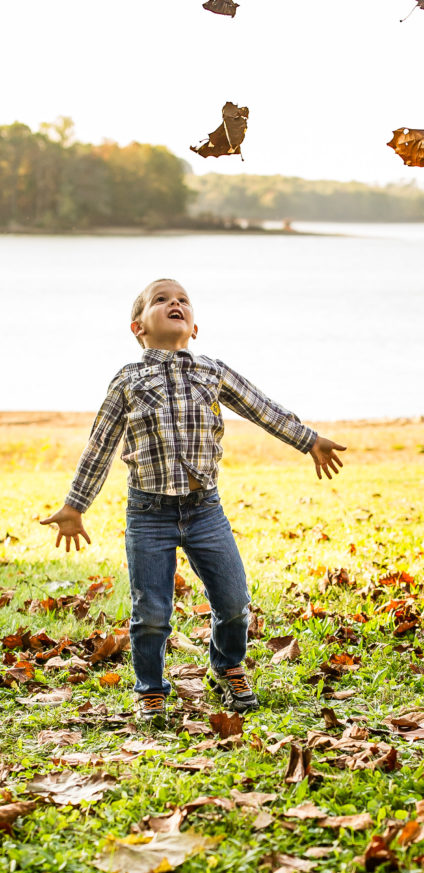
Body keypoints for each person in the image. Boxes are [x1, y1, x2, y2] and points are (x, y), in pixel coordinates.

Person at [41, 278, 346, 724]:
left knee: (234, 603)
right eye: (161, 299)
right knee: (151, 613)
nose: (175, 303)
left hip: (206, 511)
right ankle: (150, 689)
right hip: (149, 515)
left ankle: (226, 667)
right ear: (138, 327)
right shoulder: (128, 380)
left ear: (195, 327)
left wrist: (308, 439)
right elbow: (100, 445)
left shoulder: (212, 371)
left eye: (183, 299)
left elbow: (262, 408)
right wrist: (75, 505)